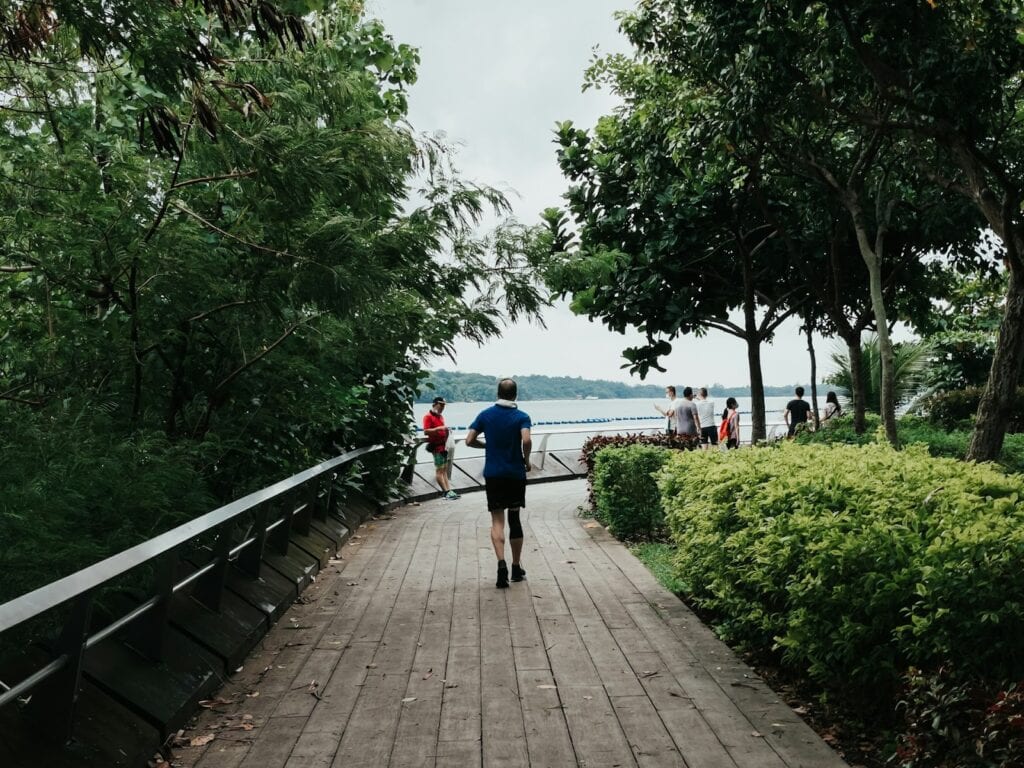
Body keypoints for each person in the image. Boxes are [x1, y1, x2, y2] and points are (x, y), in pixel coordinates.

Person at [464, 379, 532, 589]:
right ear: (515, 394)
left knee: (497, 521)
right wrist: (526, 459)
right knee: (515, 518)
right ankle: (515, 568)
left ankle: (501, 564)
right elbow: (527, 440)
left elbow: (468, 440)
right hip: (515, 474)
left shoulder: (485, 414)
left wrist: (487, 446)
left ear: (498, 393)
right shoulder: (522, 416)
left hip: (493, 475)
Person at [423, 396, 459, 500]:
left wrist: (447, 430)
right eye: (441, 405)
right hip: (436, 447)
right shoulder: (428, 416)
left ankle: (449, 491)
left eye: (444, 405)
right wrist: (439, 428)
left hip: (444, 446)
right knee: (439, 470)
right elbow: (426, 431)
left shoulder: (440, 417)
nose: (442, 407)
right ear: (434, 404)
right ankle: (445, 492)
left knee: (444, 469)